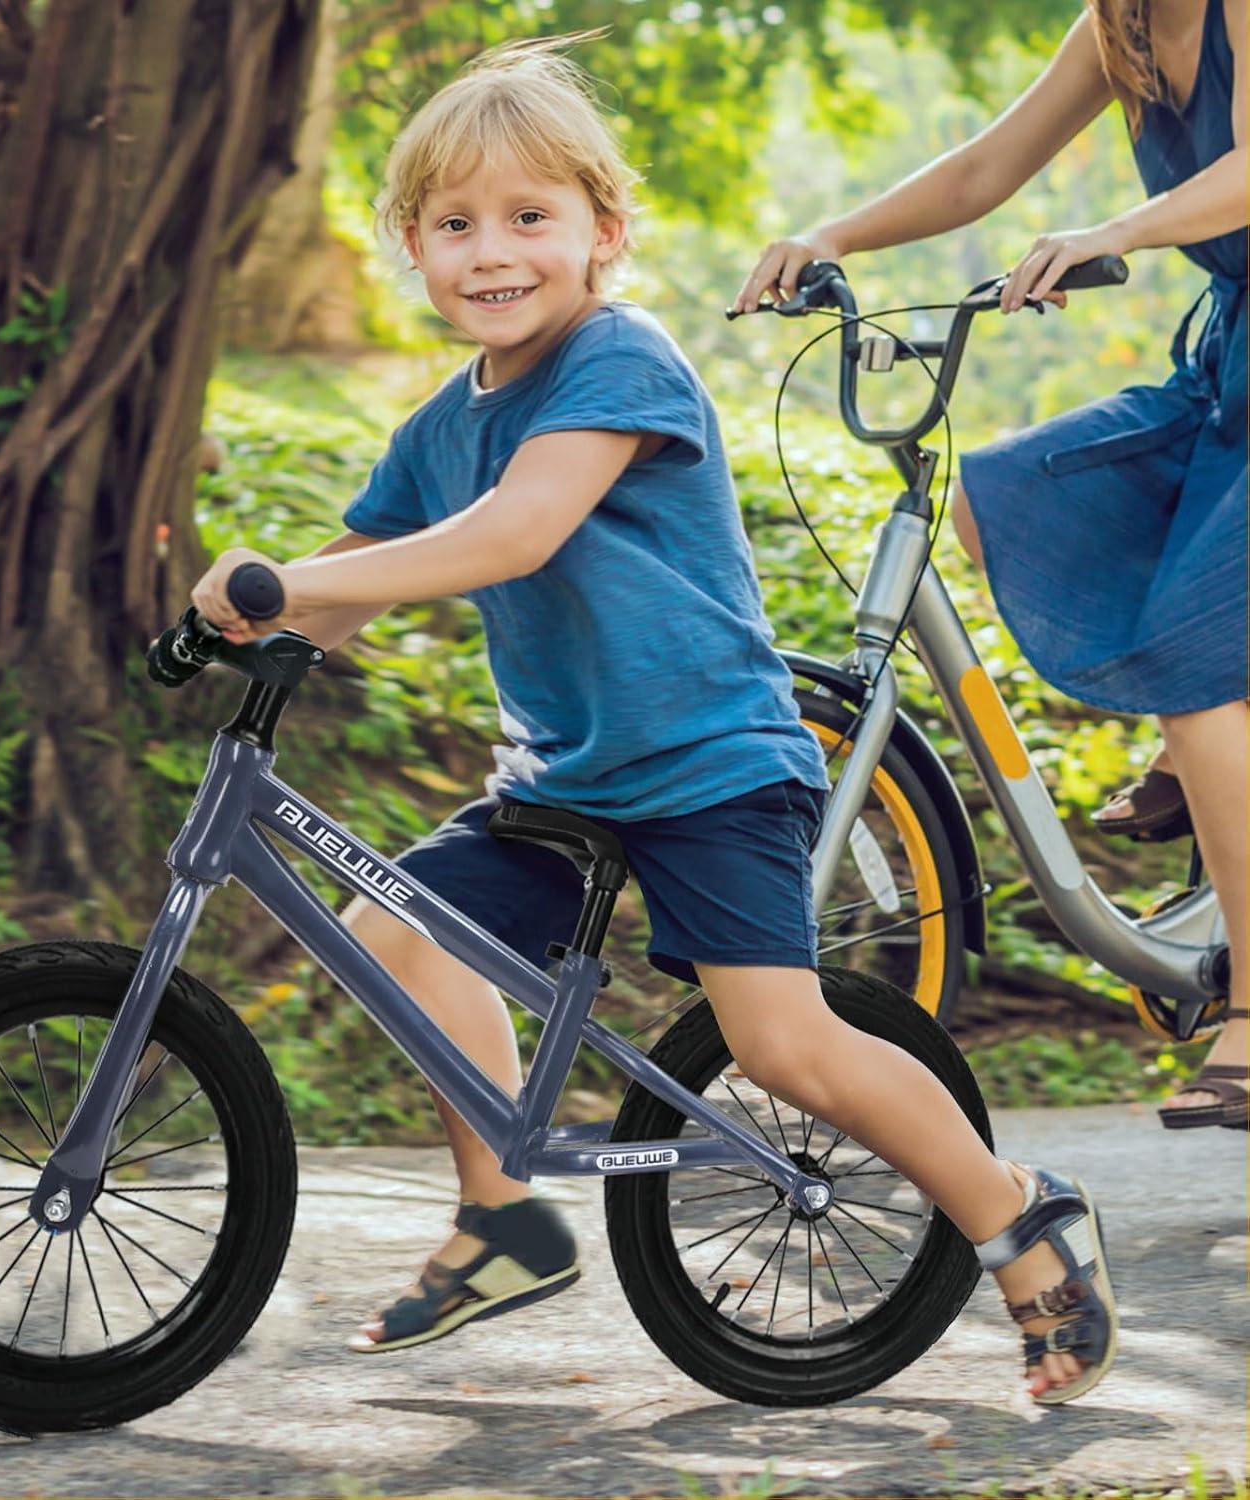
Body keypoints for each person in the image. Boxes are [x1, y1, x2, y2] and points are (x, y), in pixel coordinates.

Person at [191, 36, 1119, 1402]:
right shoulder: (445, 422)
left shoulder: (620, 359)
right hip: (568, 776)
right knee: (402, 929)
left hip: (710, 768)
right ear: (410, 246)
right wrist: (250, 620)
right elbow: (349, 584)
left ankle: (1017, 1215)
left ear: (604, 233)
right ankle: (505, 1216)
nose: (491, 251)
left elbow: (518, 532)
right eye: (455, 225)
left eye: (529, 217)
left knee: (783, 1050)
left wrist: (300, 585)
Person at [735, 0, 1246, 1130]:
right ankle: (1203, 773)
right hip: (1231, 363)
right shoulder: (1115, 26)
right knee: (1002, 496)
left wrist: (1113, 232)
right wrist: (835, 238)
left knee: (1197, 657)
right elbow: (984, 169)